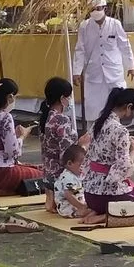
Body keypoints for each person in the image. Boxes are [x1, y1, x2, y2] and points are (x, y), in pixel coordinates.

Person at [82, 87, 134, 224]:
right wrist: (132, 150)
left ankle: (99, 211)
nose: (132, 118)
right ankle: (107, 215)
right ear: (129, 107)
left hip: (90, 194)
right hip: (107, 197)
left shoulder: (97, 124)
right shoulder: (120, 130)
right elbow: (123, 169)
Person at [72, 0, 134, 124]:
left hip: (114, 72)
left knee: (118, 105)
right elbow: (80, 49)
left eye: (98, 8)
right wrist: (77, 71)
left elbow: (125, 45)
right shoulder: (85, 26)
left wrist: (131, 66)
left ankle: (118, 133)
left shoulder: (115, 24)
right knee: (94, 108)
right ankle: (94, 135)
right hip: (94, 72)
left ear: (105, 8)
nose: (95, 11)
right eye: (92, 9)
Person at [0, 78, 43, 198]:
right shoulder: (5, 117)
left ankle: (1, 189)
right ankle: (4, 190)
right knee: (43, 176)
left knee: (32, 168)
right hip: (2, 173)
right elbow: (13, 152)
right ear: (10, 97)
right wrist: (22, 136)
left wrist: (15, 136)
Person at [38, 77, 87, 213]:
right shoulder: (61, 119)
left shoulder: (45, 118)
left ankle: (50, 196)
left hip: (48, 174)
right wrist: (82, 145)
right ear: (62, 98)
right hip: (61, 175)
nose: (70, 99)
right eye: (69, 96)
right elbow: (66, 156)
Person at [53, 144, 89, 219]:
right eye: (81, 165)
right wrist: (81, 207)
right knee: (89, 212)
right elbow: (69, 195)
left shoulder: (76, 175)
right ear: (70, 163)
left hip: (77, 202)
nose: (83, 167)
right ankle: (76, 213)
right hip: (67, 206)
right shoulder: (68, 177)